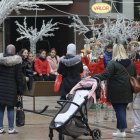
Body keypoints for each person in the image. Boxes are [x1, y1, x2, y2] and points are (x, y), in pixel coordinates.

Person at [93, 44, 136, 137]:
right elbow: (134, 75)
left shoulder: (113, 63)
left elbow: (105, 75)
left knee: (119, 110)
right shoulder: (131, 63)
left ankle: (122, 130)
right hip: (128, 90)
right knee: (122, 109)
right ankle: (119, 129)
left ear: (115, 51)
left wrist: (94, 77)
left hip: (116, 91)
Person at [0, 44, 23, 134]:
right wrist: (20, 91)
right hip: (12, 88)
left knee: (0, 108)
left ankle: (0, 128)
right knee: (10, 108)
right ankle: (10, 128)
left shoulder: (0, 61)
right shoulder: (17, 62)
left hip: (0, 88)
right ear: (14, 51)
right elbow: (19, 78)